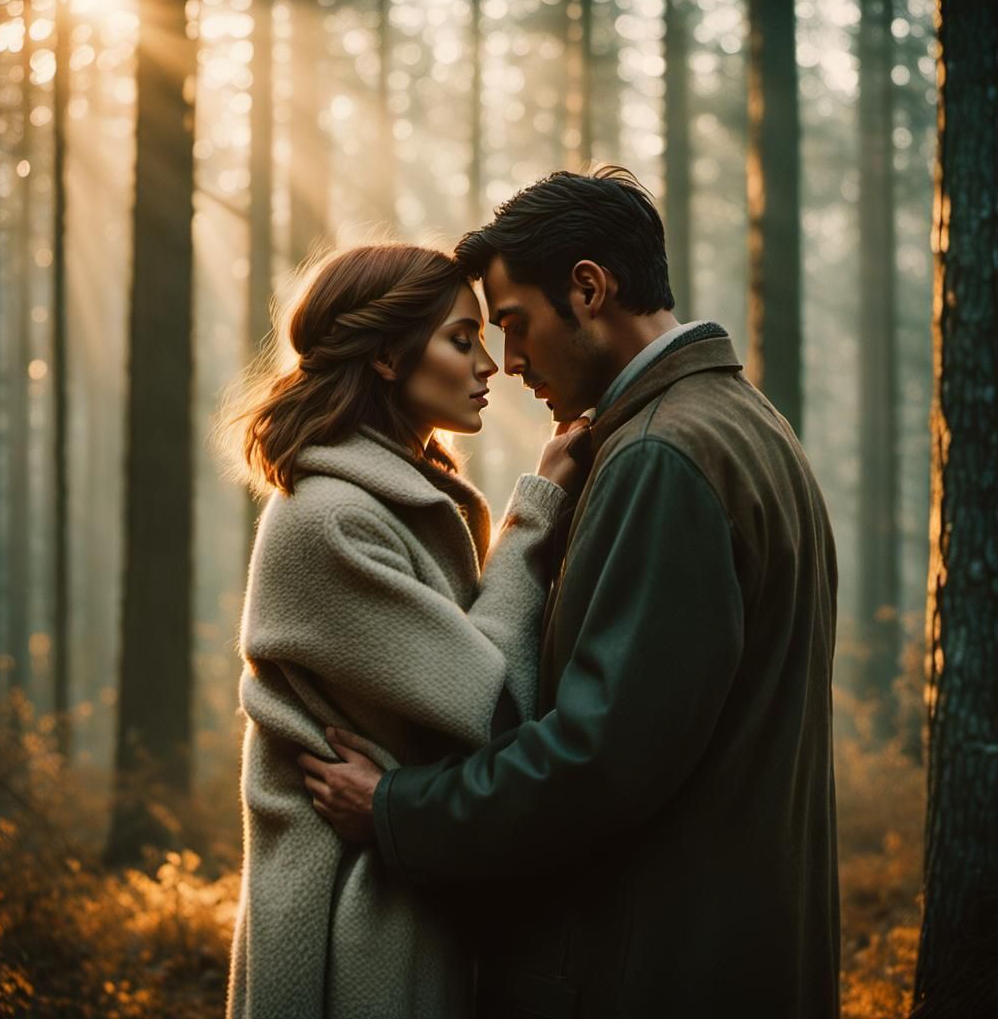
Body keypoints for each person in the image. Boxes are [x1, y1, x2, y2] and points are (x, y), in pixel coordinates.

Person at [302, 167, 842, 1018]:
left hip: (651, 969)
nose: (508, 364)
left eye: (513, 327)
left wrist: (400, 809)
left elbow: (599, 758)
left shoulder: (662, 458)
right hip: (725, 947)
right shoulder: (743, 424)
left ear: (588, 288)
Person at [222, 242, 587, 1019]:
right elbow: (496, 707)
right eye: (463, 339)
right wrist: (533, 519)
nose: (489, 364)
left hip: (397, 899)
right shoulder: (332, 521)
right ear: (387, 355)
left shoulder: (393, 501)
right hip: (349, 932)